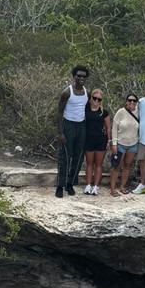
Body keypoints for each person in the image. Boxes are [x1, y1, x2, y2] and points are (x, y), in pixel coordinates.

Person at [55, 65, 89, 198]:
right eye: (78, 76)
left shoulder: (87, 92)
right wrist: (60, 132)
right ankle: (60, 185)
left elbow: (86, 109)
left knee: (78, 157)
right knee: (65, 156)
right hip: (68, 125)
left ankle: (70, 184)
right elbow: (59, 112)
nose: (81, 78)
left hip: (81, 126)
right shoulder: (67, 92)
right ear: (74, 76)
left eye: (84, 76)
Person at [109, 92, 140, 196]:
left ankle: (122, 186)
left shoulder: (139, 113)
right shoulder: (120, 112)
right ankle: (112, 189)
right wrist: (114, 143)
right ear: (126, 102)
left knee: (127, 166)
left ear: (136, 102)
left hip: (133, 144)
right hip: (120, 144)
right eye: (129, 100)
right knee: (117, 166)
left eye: (134, 101)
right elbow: (114, 129)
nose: (131, 102)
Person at [82, 89, 111, 196]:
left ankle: (95, 187)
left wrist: (109, 140)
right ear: (91, 98)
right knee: (89, 163)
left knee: (98, 164)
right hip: (88, 139)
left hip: (100, 140)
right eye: (95, 98)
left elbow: (108, 127)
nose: (96, 101)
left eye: (99, 99)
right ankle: (88, 185)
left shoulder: (104, 112)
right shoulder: (86, 109)